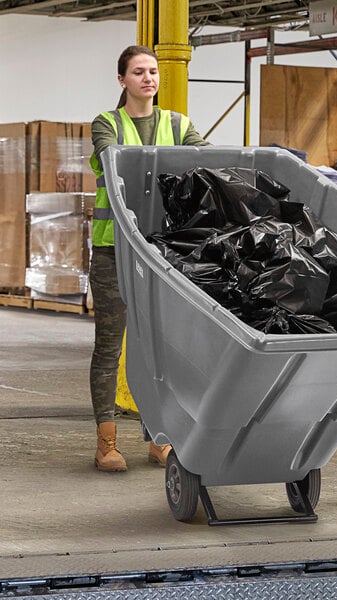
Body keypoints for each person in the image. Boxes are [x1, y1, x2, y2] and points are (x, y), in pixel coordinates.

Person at [89, 45, 210, 472]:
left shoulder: (179, 124)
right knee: (110, 344)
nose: (149, 78)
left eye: (153, 71)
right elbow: (113, 160)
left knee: (160, 349)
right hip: (113, 250)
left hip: (163, 253)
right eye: (138, 72)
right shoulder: (108, 124)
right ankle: (106, 442)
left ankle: (160, 437)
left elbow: (206, 164)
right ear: (122, 80)